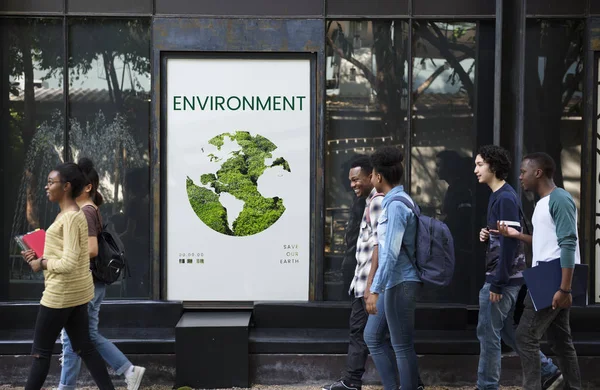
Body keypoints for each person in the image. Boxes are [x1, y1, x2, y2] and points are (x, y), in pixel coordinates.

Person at [21, 162, 115, 390]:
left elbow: (70, 262)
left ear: (66, 187)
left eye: (51, 182)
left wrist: (41, 263)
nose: (46, 186)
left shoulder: (72, 217)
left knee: (40, 354)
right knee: (85, 347)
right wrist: (40, 253)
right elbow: (69, 253)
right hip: (76, 294)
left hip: (60, 295)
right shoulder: (69, 214)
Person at [474, 146, 561, 390]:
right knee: (504, 331)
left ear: (493, 166)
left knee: (487, 335)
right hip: (505, 278)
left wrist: (498, 282)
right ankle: (549, 371)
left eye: (480, 164)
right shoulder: (500, 195)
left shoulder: (505, 197)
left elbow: (511, 244)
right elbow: (504, 236)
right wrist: (487, 233)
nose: (476, 170)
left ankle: (487, 386)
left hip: (502, 279)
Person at [57, 158, 146, 390]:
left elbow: (93, 249)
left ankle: (65, 387)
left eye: (73, 183)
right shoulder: (91, 209)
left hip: (86, 283)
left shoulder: (86, 212)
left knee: (71, 339)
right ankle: (129, 370)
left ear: (86, 187)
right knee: (88, 335)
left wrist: (62, 255)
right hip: (94, 283)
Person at [496, 152, 582, 390]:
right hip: (548, 275)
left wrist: (564, 288)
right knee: (561, 341)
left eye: (524, 172)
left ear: (538, 172)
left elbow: (568, 243)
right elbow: (547, 241)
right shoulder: (543, 202)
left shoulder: (560, 199)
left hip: (552, 276)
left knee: (525, 336)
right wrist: (516, 235)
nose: (520, 177)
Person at [322, 155, 385, 390]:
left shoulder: (376, 202)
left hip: (370, 285)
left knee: (366, 334)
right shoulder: (365, 202)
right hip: (362, 283)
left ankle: (352, 381)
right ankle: (353, 380)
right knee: (371, 334)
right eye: (350, 181)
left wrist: (371, 287)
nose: (353, 185)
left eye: (357, 179)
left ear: (372, 176)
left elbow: (380, 246)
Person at [364, 146, 422, 390]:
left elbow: (390, 254)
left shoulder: (396, 206)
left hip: (400, 282)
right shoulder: (397, 201)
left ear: (379, 177)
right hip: (394, 281)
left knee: (402, 345)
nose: (371, 179)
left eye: (372, 174)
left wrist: (374, 290)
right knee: (373, 336)